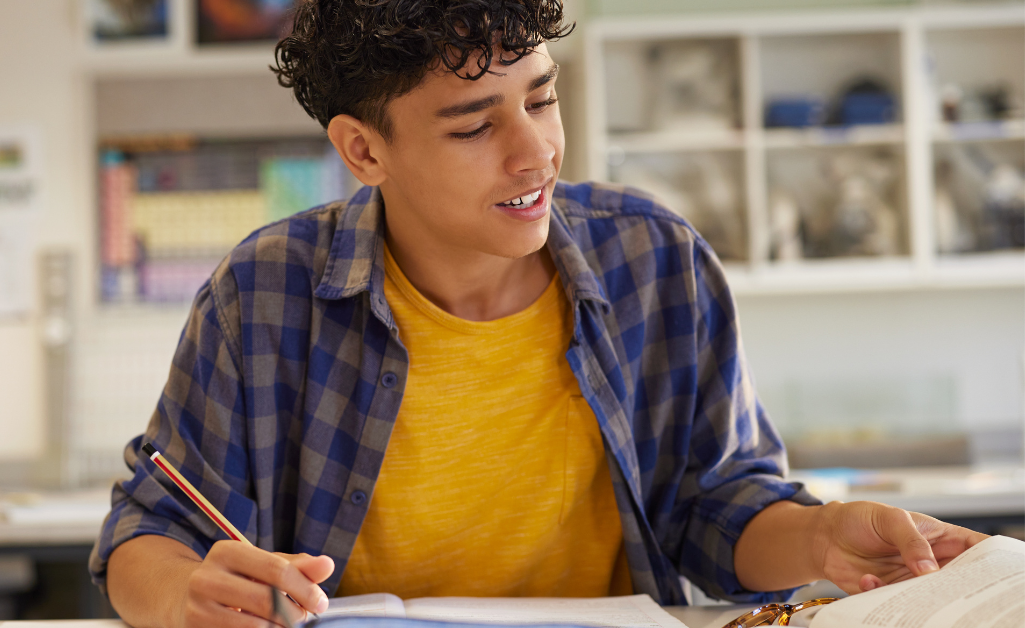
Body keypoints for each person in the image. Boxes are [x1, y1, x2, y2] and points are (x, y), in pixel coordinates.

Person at [90, 1, 987, 627]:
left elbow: (716, 510)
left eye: (543, 98)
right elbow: (150, 530)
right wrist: (180, 597)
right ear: (363, 150)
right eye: (475, 128)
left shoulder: (655, 259)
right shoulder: (265, 294)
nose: (535, 155)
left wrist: (822, 536)